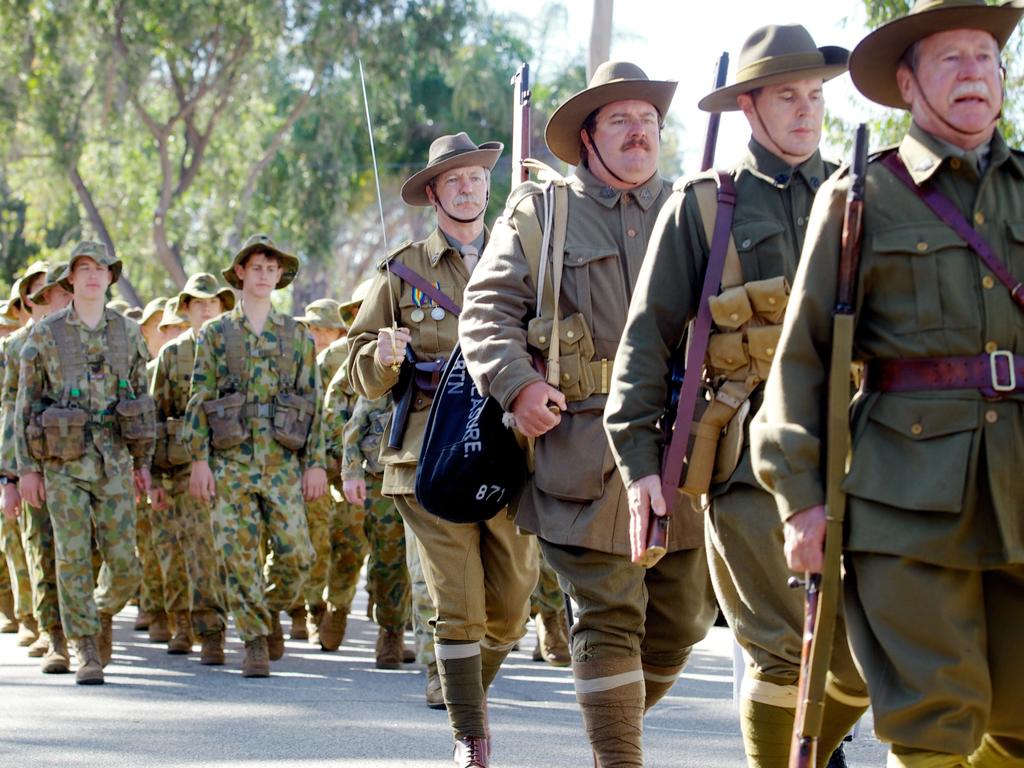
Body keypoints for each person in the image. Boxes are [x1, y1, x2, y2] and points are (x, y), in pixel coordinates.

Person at [750, 2, 1024, 766]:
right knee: (937, 715)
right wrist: (800, 498)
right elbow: (802, 360)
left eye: (986, 56)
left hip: (1020, 488)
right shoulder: (863, 195)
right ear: (906, 85)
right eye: (951, 59)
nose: (975, 71)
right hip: (906, 497)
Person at [602, 27, 869, 768]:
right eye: (787, 96)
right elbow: (647, 338)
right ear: (749, 106)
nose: (807, 111)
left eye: (815, 95)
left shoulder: (863, 195)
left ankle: (815, 751)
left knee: (866, 642)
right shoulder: (705, 205)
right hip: (748, 457)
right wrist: (639, 466)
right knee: (785, 651)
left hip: (862, 448)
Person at [460, 61, 717, 766]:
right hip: (580, 448)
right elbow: (485, 315)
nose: (640, 133)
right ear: (587, 137)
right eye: (622, 121)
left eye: (649, 120)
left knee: (685, 620)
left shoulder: (695, 210)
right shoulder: (544, 213)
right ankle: (619, 754)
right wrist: (517, 386)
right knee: (607, 617)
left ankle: (617, 717)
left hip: (679, 450)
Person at [346, 132, 538, 766]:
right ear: (433, 192)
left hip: (510, 447)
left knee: (509, 613)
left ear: (488, 185)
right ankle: (471, 739)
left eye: (476, 176)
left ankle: (467, 701)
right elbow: (356, 368)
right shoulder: (403, 270)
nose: (467, 187)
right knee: (457, 608)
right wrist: (380, 359)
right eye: (453, 179)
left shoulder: (524, 255)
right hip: (428, 455)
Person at [186, 234, 326, 678]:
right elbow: (199, 398)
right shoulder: (217, 333)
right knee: (238, 555)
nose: (265, 275)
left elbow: (313, 400)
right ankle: (253, 642)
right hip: (230, 463)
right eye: (256, 267)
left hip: (282, 464)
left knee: (298, 556)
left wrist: (316, 462)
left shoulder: (297, 335)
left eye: (272, 268)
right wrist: (199, 459)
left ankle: (265, 613)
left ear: (280, 276)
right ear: (241, 273)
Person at [15, 241, 151, 685]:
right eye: (84, 268)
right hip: (63, 462)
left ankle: (98, 610)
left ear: (111, 277)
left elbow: (142, 401)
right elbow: (25, 405)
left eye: (101, 268)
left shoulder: (129, 334)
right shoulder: (45, 333)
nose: (93, 275)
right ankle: (86, 647)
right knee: (71, 557)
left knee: (125, 563)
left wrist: (142, 461)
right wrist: (27, 470)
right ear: (70, 279)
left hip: (114, 459)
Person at [150, 273, 235, 663]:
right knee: (180, 553)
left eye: (213, 302)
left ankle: (213, 628)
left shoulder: (234, 351)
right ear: (186, 307)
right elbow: (155, 417)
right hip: (180, 470)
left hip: (228, 469)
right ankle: (185, 624)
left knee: (216, 553)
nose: (206, 308)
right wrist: (153, 477)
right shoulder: (171, 355)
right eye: (198, 302)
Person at [0, 262, 73, 672]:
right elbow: (11, 414)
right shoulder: (15, 348)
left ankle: (84, 625)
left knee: (79, 552)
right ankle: (51, 631)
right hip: (33, 463)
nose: (52, 296)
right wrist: (10, 476)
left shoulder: (76, 340)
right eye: (42, 291)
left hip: (76, 463)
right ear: (30, 300)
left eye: (57, 289)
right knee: (38, 547)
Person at [289, 298, 348, 642]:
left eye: (328, 329)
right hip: (302, 464)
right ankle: (303, 608)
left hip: (338, 464)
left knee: (334, 539)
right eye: (313, 328)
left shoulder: (340, 359)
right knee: (305, 540)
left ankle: (322, 608)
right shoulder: (293, 361)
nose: (320, 336)